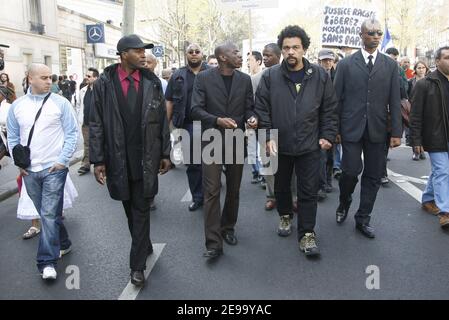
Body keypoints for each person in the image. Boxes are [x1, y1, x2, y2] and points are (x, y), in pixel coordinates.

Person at [89, 34, 171, 287]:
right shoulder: (104, 83)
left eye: (144, 51)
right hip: (118, 158)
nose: (143, 54)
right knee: (129, 208)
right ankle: (143, 243)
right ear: (123, 54)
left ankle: (137, 267)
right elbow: (96, 123)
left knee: (141, 209)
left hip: (146, 155)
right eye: (138, 51)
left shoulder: (152, 81)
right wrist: (98, 159)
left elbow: (162, 121)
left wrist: (166, 153)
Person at [255, 25, 338, 256]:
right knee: (281, 187)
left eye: (295, 47)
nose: (291, 52)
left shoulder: (320, 75)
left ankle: (307, 234)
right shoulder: (271, 76)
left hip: (310, 145)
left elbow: (330, 108)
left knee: (308, 191)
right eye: (286, 48)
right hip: (279, 145)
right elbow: (262, 107)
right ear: (282, 50)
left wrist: (327, 135)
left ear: (304, 49)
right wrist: (268, 135)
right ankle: (284, 216)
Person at [7, 63, 78, 280]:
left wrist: (63, 160)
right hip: (30, 171)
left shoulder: (61, 103)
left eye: (51, 77)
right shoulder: (17, 106)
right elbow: (12, 137)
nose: (49, 81)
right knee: (48, 214)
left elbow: (72, 133)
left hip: (54, 168)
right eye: (44, 78)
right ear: (30, 79)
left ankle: (46, 262)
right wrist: (19, 163)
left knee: (47, 214)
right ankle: (64, 242)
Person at [333, 18, 402, 239]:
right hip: (350, 128)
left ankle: (363, 218)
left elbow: (395, 99)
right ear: (361, 35)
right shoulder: (345, 64)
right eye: (371, 32)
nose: (375, 36)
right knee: (350, 172)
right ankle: (344, 202)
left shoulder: (390, 65)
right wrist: (333, 129)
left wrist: (397, 133)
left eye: (378, 33)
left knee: (373, 176)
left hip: (378, 130)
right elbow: (336, 99)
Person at [191, 42, 257, 259]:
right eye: (236, 53)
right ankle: (213, 243)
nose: (240, 56)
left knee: (234, 189)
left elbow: (249, 107)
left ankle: (228, 228)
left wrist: (251, 118)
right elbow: (195, 109)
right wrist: (217, 120)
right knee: (211, 191)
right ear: (222, 57)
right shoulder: (203, 78)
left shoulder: (245, 79)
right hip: (212, 139)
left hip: (237, 139)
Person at [165, 44, 209, 212]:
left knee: (210, 163)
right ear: (186, 55)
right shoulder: (177, 75)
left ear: (202, 54)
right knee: (192, 164)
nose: (194, 54)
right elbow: (169, 100)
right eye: (190, 52)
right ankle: (198, 197)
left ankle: (210, 195)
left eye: (197, 51)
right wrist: (165, 124)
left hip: (209, 125)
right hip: (187, 126)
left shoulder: (212, 72)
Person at [410, 46, 449, 228]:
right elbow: (415, 114)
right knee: (443, 172)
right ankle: (445, 212)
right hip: (435, 137)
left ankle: (428, 199)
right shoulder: (424, 84)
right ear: (437, 61)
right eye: (447, 57)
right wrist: (415, 140)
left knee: (439, 171)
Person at [317, 49, 337, 199]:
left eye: (330, 60)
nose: (327, 63)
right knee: (321, 156)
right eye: (325, 60)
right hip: (319, 122)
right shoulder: (315, 75)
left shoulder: (338, 76)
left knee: (330, 156)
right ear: (319, 61)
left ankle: (328, 181)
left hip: (335, 121)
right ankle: (321, 185)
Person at [76, 67, 99, 176]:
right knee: (87, 144)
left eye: (89, 76)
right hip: (86, 123)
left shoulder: (101, 89)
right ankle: (85, 165)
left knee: (100, 143)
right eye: (86, 75)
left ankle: (102, 164)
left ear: (96, 78)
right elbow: (79, 105)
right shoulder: (83, 90)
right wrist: (80, 117)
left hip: (99, 124)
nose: (86, 78)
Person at [408, 61, 430, 161]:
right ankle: (415, 151)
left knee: (424, 130)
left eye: (423, 68)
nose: (421, 70)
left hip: (427, 110)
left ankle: (422, 149)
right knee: (415, 129)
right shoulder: (410, 82)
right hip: (413, 109)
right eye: (419, 68)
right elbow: (406, 95)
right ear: (415, 70)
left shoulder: (430, 81)